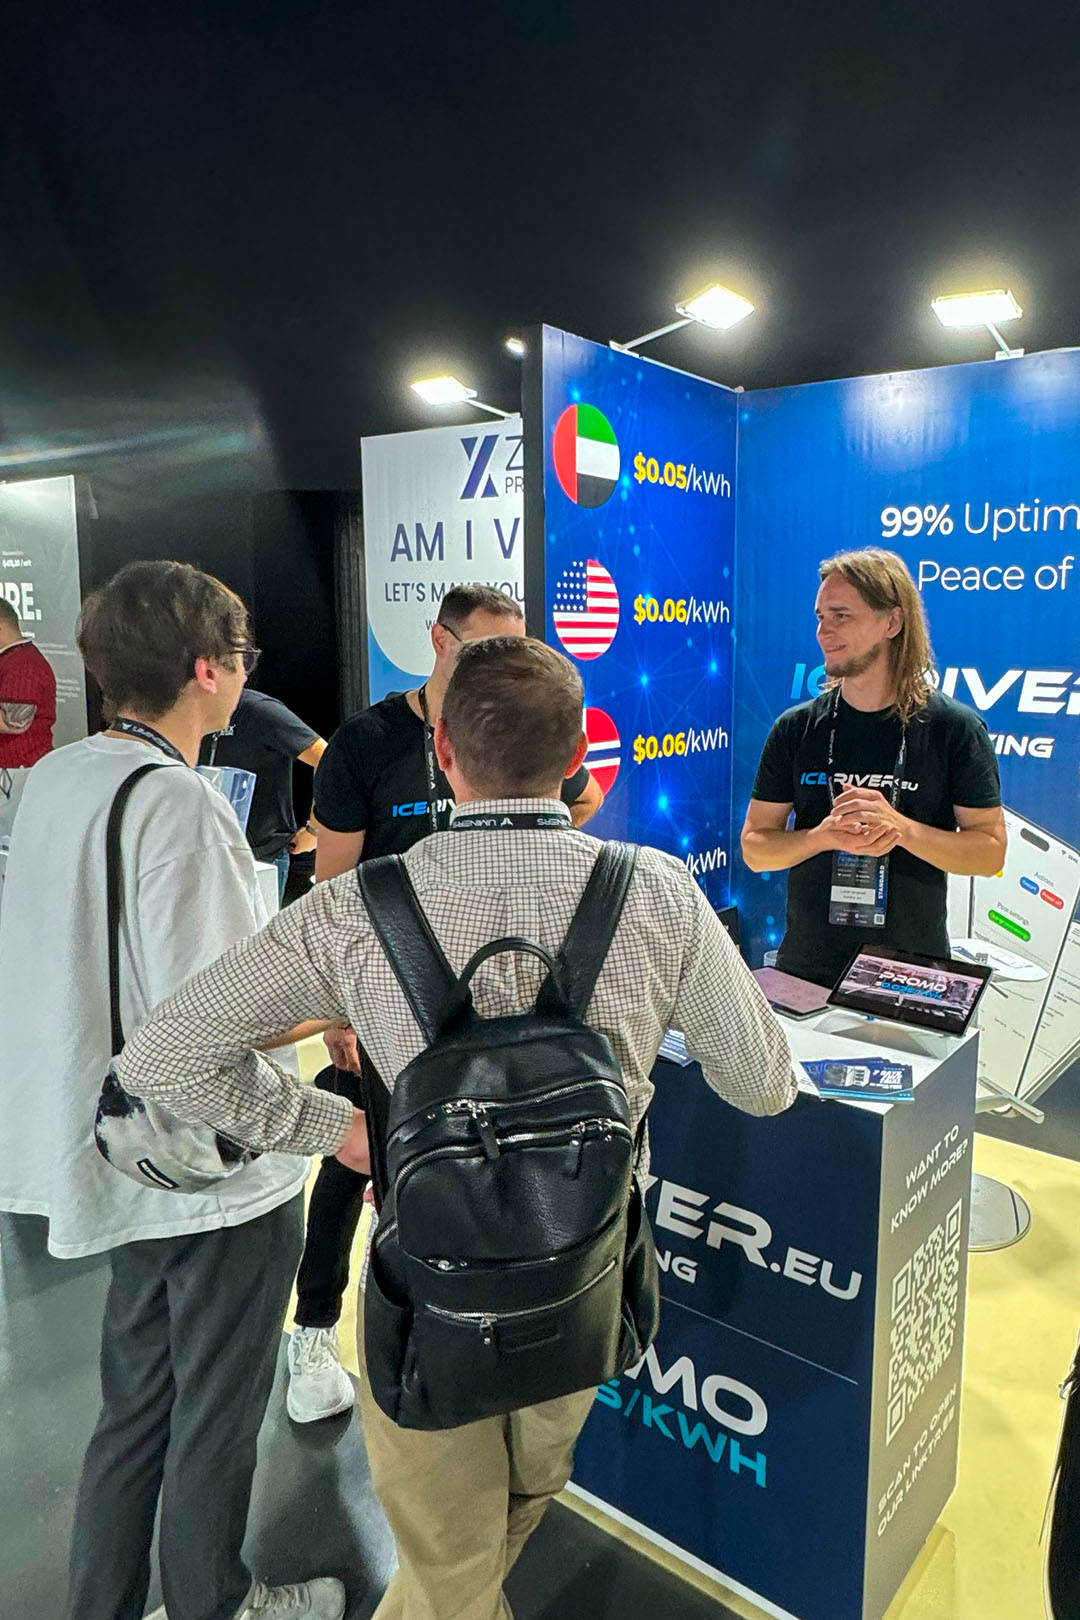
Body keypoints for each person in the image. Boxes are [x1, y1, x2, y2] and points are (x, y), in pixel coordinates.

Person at [114, 633, 797, 1620]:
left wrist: (337, 1129)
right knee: (510, 1514)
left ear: (441, 751)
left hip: (426, 1292)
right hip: (585, 1276)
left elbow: (162, 1053)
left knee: (449, 1559)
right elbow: (765, 1087)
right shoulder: (656, 892)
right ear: (579, 756)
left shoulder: (357, 907)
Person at [0, 561, 345, 1620]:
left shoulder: (62, 776)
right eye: (240, 658)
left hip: (114, 1153)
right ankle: (216, 1604)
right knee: (216, 1417)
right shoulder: (180, 805)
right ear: (206, 668)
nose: (244, 676)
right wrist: (329, 1100)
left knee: (134, 1410)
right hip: (210, 1181)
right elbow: (210, 1033)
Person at [285, 584, 604, 1423]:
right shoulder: (366, 745)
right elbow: (332, 888)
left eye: (514, 649)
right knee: (359, 1159)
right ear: (437, 641)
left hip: (500, 1002)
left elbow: (579, 804)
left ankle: (500, 1333)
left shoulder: (519, 729)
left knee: (494, 1166)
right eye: (480, 649)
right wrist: (342, 1014)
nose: (497, 667)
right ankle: (315, 1324)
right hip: (390, 999)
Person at [741, 547, 1007, 988]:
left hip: (910, 976)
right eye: (820, 617)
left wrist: (902, 830)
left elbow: (990, 851)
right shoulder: (796, 728)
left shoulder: (954, 729)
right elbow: (755, 847)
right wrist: (822, 836)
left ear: (892, 622)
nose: (824, 631)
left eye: (841, 616)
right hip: (806, 973)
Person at [200, 683, 328, 902]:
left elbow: (327, 758)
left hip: (261, 856)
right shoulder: (182, 711)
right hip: (205, 852)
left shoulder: (258, 710)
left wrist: (315, 830)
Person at [0, 594, 57, 841]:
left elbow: (14, 722)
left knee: (12, 838)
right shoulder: (10, 660)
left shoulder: (23, 664)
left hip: (17, 772)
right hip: (10, 771)